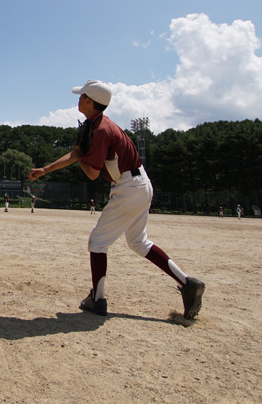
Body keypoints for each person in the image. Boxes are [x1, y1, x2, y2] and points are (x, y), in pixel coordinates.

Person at [28, 80, 205, 320]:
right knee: (139, 242)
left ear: (90, 101)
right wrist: (45, 169)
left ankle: (97, 300)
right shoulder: (97, 124)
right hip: (140, 184)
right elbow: (77, 154)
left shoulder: (101, 130)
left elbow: (91, 172)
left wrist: (80, 156)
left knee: (97, 242)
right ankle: (187, 283)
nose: (78, 99)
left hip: (128, 188)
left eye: (81, 96)